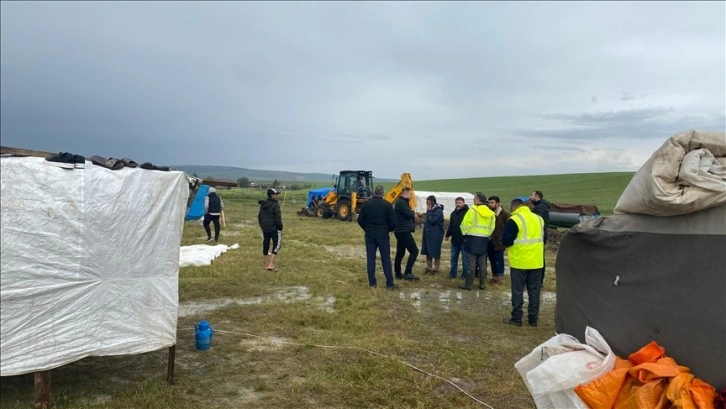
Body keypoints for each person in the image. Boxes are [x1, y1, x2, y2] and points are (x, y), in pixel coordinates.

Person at [503, 198, 545, 327]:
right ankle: (533, 319)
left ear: (513, 208)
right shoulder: (539, 219)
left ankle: (516, 318)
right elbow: (544, 237)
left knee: (517, 291)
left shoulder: (514, 220)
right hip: (537, 261)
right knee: (534, 291)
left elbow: (507, 240)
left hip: (519, 261)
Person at [357, 185, 397, 289]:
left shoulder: (367, 205)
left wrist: (367, 228)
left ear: (374, 192)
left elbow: (360, 220)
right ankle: (389, 283)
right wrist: (387, 230)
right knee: (386, 259)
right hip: (383, 236)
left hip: (369, 235)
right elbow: (393, 223)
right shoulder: (387, 205)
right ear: (383, 193)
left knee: (371, 259)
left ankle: (372, 284)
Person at [458, 192, 495, 291]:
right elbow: (492, 227)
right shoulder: (491, 213)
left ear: (478, 200)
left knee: (471, 263)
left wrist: (464, 233)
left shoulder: (472, 211)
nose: (473, 200)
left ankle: (468, 284)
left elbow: (465, 224)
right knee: (482, 263)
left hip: (472, 239)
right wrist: (486, 234)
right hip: (484, 239)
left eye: (474, 198)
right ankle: (482, 284)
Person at [393, 187, 420, 281]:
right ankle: (408, 273)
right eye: (410, 194)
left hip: (400, 231)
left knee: (400, 253)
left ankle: (398, 273)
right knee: (414, 251)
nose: (411, 195)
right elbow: (409, 214)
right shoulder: (401, 202)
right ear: (405, 193)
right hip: (403, 231)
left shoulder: (401, 202)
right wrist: (414, 214)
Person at [486, 196, 510, 285]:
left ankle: (500, 278)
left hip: (499, 241)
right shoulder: (488, 213)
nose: (490, 204)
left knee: (499, 260)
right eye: (489, 202)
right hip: (489, 241)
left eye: (492, 202)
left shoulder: (504, 214)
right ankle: (494, 277)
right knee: (492, 259)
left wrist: (505, 239)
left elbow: (508, 228)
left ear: (497, 203)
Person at [258, 188, 283, 271]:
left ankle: (266, 264)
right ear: (272, 195)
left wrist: (262, 226)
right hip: (274, 228)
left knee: (266, 244)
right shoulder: (275, 205)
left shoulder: (263, 205)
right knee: (277, 245)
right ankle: (271, 265)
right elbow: (277, 218)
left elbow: (259, 217)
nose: (277, 195)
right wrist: (280, 227)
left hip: (265, 228)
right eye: (276, 194)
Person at [530, 190, 551, 284]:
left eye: (532, 195)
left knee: (538, 259)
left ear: (537, 197)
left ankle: (538, 280)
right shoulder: (541, 206)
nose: (530, 197)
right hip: (541, 236)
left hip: (539, 236)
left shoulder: (540, 208)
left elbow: (535, 222)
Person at [445, 197, 469, 279]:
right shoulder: (453, 213)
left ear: (463, 203)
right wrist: (447, 235)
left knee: (465, 260)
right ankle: (452, 274)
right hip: (455, 240)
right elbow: (451, 226)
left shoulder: (468, 213)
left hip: (464, 240)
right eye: (457, 203)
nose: (458, 204)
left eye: (460, 203)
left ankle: (465, 275)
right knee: (453, 258)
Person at [421, 195, 445, 274]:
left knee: (435, 251)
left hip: (436, 234)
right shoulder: (431, 210)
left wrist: (429, 211)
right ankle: (429, 268)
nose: (426, 205)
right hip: (428, 233)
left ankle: (436, 269)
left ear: (432, 203)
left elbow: (432, 220)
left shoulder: (438, 211)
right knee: (428, 251)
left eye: (428, 203)